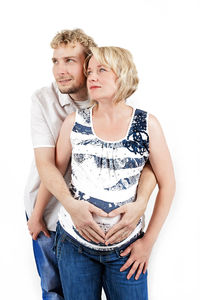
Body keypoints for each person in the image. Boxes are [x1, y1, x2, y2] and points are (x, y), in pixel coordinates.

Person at [25, 29, 156, 300]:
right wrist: (41, 213)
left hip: (112, 230)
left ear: (88, 66)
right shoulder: (44, 100)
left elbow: (143, 160)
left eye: (70, 61)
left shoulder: (110, 95)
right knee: (53, 291)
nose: (60, 70)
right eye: (55, 61)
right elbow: (49, 166)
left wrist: (142, 202)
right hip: (52, 210)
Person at [47, 46, 175, 300]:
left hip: (127, 249)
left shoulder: (147, 124)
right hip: (74, 244)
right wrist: (38, 213)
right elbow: (53, 172)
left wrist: (148, 242)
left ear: (123, 74)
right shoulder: (74, 122)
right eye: (90, 71)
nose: (92, 77)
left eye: (101, 70)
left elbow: (168, 184)